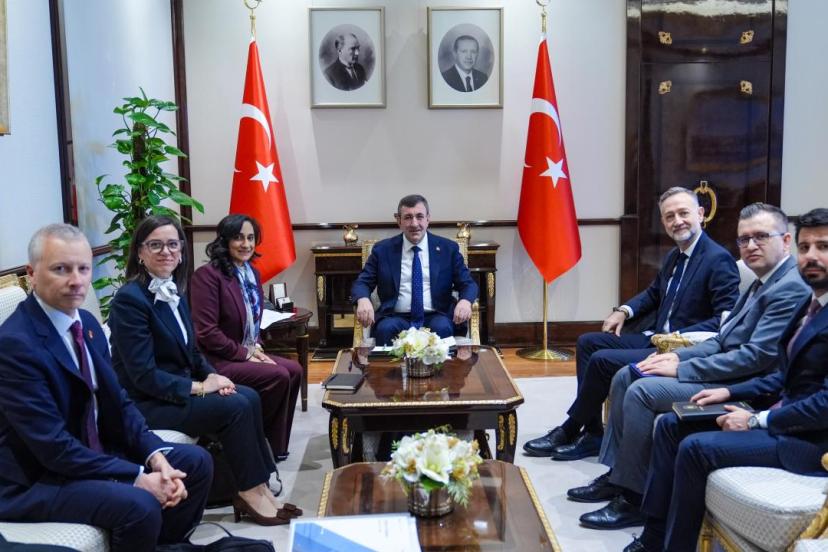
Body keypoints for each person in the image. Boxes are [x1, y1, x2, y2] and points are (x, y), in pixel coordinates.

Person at [575, 203, 811, 530]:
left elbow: (756, 357)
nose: (751, 246)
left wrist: (683, 370)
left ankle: (633, 498)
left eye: (760, 237)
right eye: (744, 239)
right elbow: (723, 338)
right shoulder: (762, 280)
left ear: (785, 241)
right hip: (722, 366)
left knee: (642, 391)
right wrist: (678, 357)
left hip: (744, 384)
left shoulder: (790, 286)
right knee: (629, 373)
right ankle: (620, 476)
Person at [625, 207, 828, 552]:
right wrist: (728, 391)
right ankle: (654, 538)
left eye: (823, 247)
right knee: (673, 425)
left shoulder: (797, 295)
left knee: (696, 449)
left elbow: (823, 405)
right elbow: (783, 375)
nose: (811, 256)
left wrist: (756, 419)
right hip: (780, 415)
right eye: (806, 247)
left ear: (782, 241)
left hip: (809, 442)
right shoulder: (811, 303)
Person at [0, 224, 212, 551]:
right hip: (37, 478)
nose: (76, 280)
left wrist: (156, 456)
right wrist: (137, 475)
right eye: (61, 269)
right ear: (32, 274)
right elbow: (54, 448)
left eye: (83, 269)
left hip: (91, 450)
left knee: (196, 463)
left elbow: (119, 403)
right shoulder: (16, 345)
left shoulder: (86, 324)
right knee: (139, 504)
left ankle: (165, 545)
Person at [108, 215, 301, 526]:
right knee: (236, 407)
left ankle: (261, 485)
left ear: (181, 251)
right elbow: (143, 376)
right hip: (147, 401)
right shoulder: (129, 300)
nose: (166, 252)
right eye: (155, 245)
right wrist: (199, 387)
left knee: (248, 397)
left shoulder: (173, 289)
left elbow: (193, 350)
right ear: (140, 252)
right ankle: (248, 491)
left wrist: (213, 375)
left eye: (173, 244)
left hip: (176, 388)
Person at [524, 187, 740, 460]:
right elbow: (653, 293)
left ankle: (570, 428)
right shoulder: (676, 255)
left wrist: (675, 337)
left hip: (681, 349)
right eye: (670, 216)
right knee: (588, 342)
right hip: (656, 338)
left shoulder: (717, 259)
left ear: (700, 213)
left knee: (602, 360)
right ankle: (593, 433)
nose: (677, 221)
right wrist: (623, 311)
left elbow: (724, 320)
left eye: (683, 213)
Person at [190, 214, 301, 461]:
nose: (246, 244)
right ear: (224, 241)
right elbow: (206, 332)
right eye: (239, 238)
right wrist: (246, 354)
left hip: (243, 351)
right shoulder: (207, 276)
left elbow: (253, 319)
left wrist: (256, 348)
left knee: (294, 370)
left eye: (251, 238)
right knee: (277, 375)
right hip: (215, 359)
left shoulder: (251, 273)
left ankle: (274, 446)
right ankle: (252, 441)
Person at [351, 194, 479, 346]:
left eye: (419, 216)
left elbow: (468, 283)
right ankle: (389, 364)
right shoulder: (383, 250)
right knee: (385, 329)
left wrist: (465, 301)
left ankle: (441, 364)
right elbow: (362, 282)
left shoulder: (447, 249)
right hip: (395, 316)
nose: (414, 223)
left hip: (436, 315)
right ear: (398, 220)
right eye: (408, 217)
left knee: (442, 327)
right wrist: (363, 299)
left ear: (428, 219)